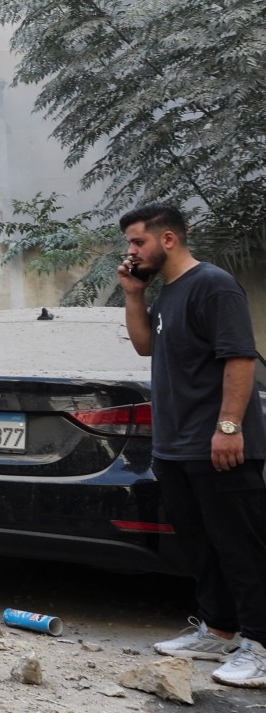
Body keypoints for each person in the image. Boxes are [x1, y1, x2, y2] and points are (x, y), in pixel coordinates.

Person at [119, 203, 266, 687]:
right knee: (202, 547)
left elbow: (240, 357)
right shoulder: (169, 291)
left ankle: (261, 645)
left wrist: (228, 427)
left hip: (217, 443)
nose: (131, 252)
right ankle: (219, 630)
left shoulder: (213, 285)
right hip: (176, 445)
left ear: (167, 240)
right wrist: (134, 295)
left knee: (241, 547)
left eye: (137, 242)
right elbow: (145, 346)